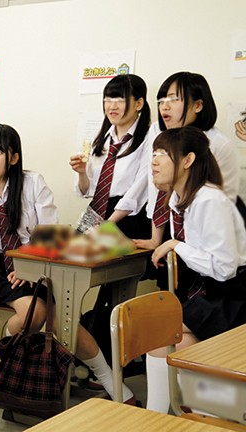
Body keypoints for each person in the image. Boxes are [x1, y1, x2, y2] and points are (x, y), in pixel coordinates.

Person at [0, 123, 135, 404]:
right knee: (38, 313)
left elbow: (49, 233)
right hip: (3, 268)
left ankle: (107, 379)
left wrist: (29, 266)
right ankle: (9, 352)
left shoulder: (32, 183)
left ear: (14, 158)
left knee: (61, 318)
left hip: (41, 261)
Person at [145, 127, 246, 413]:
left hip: (234, 297)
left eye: (162, 154)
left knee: (160, 338)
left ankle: (173, 417)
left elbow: (224, 269)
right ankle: (191, 414)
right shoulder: (181, 199)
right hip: (213, 293)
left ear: (188, 160)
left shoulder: (209, 200)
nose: (154, 161)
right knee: (167, 345)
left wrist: (176, 245)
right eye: (153, 154)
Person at [132, 72, 240, 251]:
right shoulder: (158, 131)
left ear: (198, 105)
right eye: (161, 100)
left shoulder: (217, 144)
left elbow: (222, 202)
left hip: (201, 232)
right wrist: (155, 238)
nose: (165, 106)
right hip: (166, 225)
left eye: (174, 99)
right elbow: (156, 188)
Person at [68, 74, 152, 240]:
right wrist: (82, 173)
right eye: (107, 99)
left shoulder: (150, 138)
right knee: (70, 252)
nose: (112, 106)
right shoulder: (101, 138)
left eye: (120, 100)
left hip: (128, 217)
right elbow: (87, 191)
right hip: (96, 212)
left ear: (139, 104)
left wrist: (107, 224)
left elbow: (139, 190)